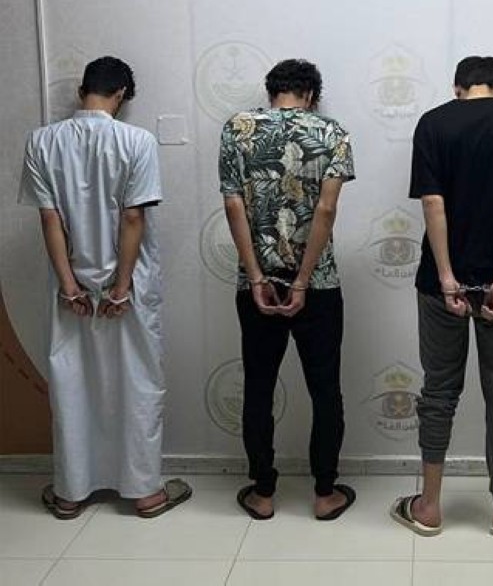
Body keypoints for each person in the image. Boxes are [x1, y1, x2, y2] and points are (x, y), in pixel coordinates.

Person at [390, 55, 493, 537]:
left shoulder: (433, 123)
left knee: (439, 391)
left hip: (438, 282)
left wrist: (447, 276)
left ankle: (429, 507)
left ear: (457, 87)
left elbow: (433, 203)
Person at [19, 56, 191, 519]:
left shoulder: (42, 141)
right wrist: (120, 287)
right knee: (138, 382)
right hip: (128, 286)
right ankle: (146, 493)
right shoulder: (137, 141)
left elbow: (49, 220)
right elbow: (133, 217)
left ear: (82, 91)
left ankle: (70, 493)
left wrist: (70, 286)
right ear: (121, 96)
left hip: (70, 285)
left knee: (71, 382)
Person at [219, 58, 356, 521]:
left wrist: (257, 276)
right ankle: (325, 493)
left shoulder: (237, 128)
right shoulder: (332, 132)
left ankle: (262, 493)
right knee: (325, 390)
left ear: (271, 91)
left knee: (259, 387)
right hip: (318, 282)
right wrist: (302, 280)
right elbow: (326, 211)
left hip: (256, 282)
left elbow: (233, 206)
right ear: (312, 95)